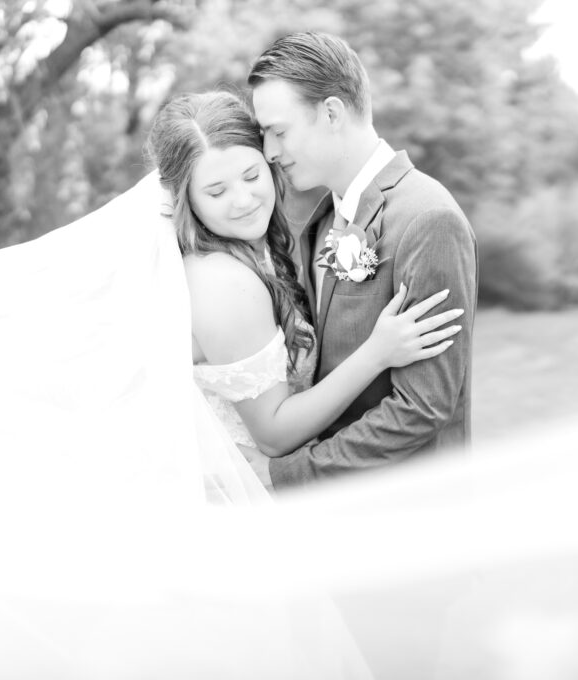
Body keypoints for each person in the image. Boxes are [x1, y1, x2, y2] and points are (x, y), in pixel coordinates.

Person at [145, 91, 464, 494]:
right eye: (216, 191)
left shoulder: (258, 249)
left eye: (250, 176)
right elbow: (274, 434)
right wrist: (377, 352)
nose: (243, 201)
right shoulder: (224, 283)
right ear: (185, 198)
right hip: (246, 493)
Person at [246, 32, 479, 489]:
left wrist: (292, 475)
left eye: (279, 131)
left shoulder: (427, 217)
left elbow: (422, 408)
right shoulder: (323, 218)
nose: (271, 152)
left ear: (331, 113)